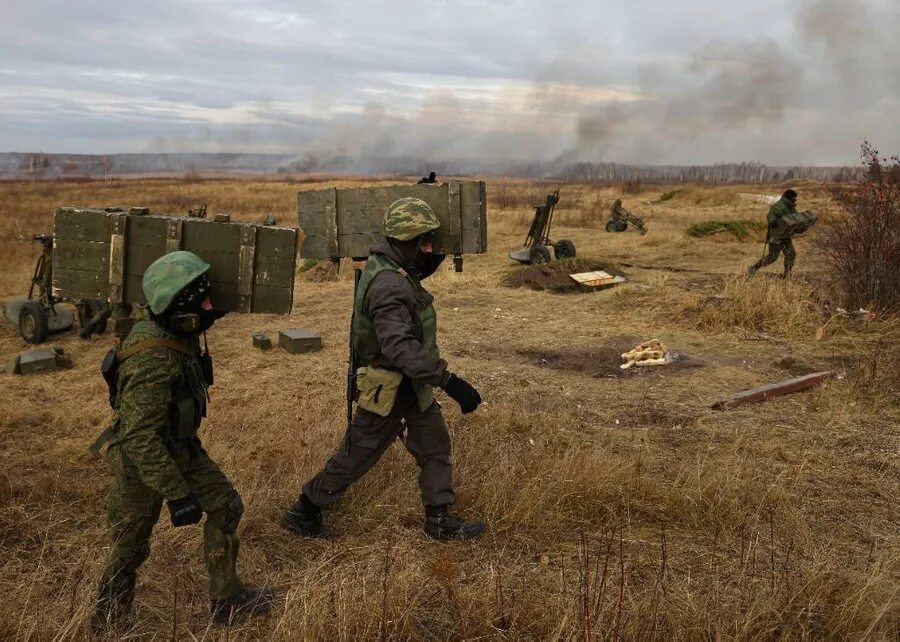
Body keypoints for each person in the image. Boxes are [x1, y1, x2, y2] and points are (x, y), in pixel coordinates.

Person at [282, 198, 485, 541]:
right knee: (358, 454)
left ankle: (439, 519)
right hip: (389, 388)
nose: (429, 249)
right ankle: (305, 510)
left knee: (434, 446)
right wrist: (449, 381)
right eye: (424, 242)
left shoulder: (390, 267)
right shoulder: (389, 284)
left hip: (411, 385)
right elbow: (399, 348)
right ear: (407, 243)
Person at [91, 251, 273, 631]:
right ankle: (108, 621)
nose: (211, 308)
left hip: (180, 448)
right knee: (130, 544)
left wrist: (210, 307)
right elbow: (141, 437)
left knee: (226, 506)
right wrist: (177, 493)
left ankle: (227, 600)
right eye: (202, 303)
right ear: (180, 310)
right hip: (142, 463)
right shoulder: (153, 361)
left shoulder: (174, 327)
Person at [747, 189, 799, 278]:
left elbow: (795, 216)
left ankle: (788, 274)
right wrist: (773, 222)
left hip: (785, 235)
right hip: (776, 235)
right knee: (772, 257)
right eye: (794, 198)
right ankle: (754, 268)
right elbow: (771, 215)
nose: (795, 200)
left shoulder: (790, 206)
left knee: (791, 254)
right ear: (789, 198)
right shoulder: (779, 206)